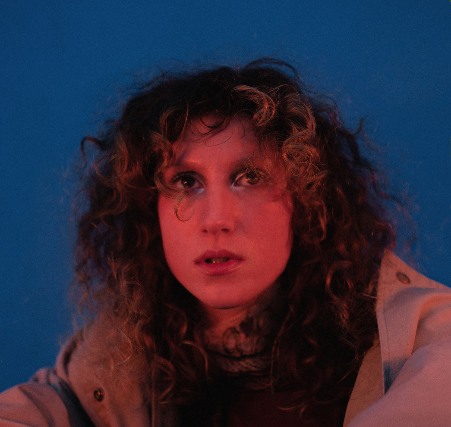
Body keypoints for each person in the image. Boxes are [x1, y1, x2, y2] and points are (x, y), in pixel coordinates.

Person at [1, 59, 451, 427]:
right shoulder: (108, 364)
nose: (216, 220)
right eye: (186, 181)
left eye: (249, 177)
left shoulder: (425, 340)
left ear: (305, 200)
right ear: (150, 213)